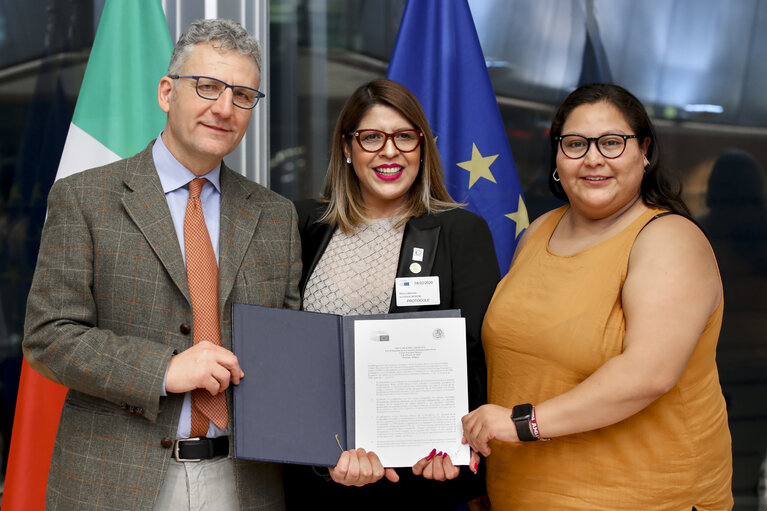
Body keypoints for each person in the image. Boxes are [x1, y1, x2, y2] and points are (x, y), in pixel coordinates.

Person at [22, 19, 300, 511]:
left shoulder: (276, 216)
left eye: (242, 96)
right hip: (114, 483)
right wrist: (164, 369)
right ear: (167, 92)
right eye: (208, 87)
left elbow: (288, 354)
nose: (224, 108)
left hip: (244, 482)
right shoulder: (84, 198)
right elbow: (49, 335)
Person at [462, 83, 733, 510]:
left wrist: (522, 424)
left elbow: (649, 373)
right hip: (520, 495)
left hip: (642, 497)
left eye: (611, 142)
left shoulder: (669, 239)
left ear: (644, 151)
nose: (592, 158)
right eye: (575, 144)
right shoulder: (538, 232)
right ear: (557, 158)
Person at [283, 78, 500, 510]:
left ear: (422, 147)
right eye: (371, 138)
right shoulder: (304, 222)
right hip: (314, 473)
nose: (389, 151)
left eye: (404, 136)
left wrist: (453, 448)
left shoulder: (462, 232)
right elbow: (286, 347)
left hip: (416, 479)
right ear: (347, 148)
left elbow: (479, 360)